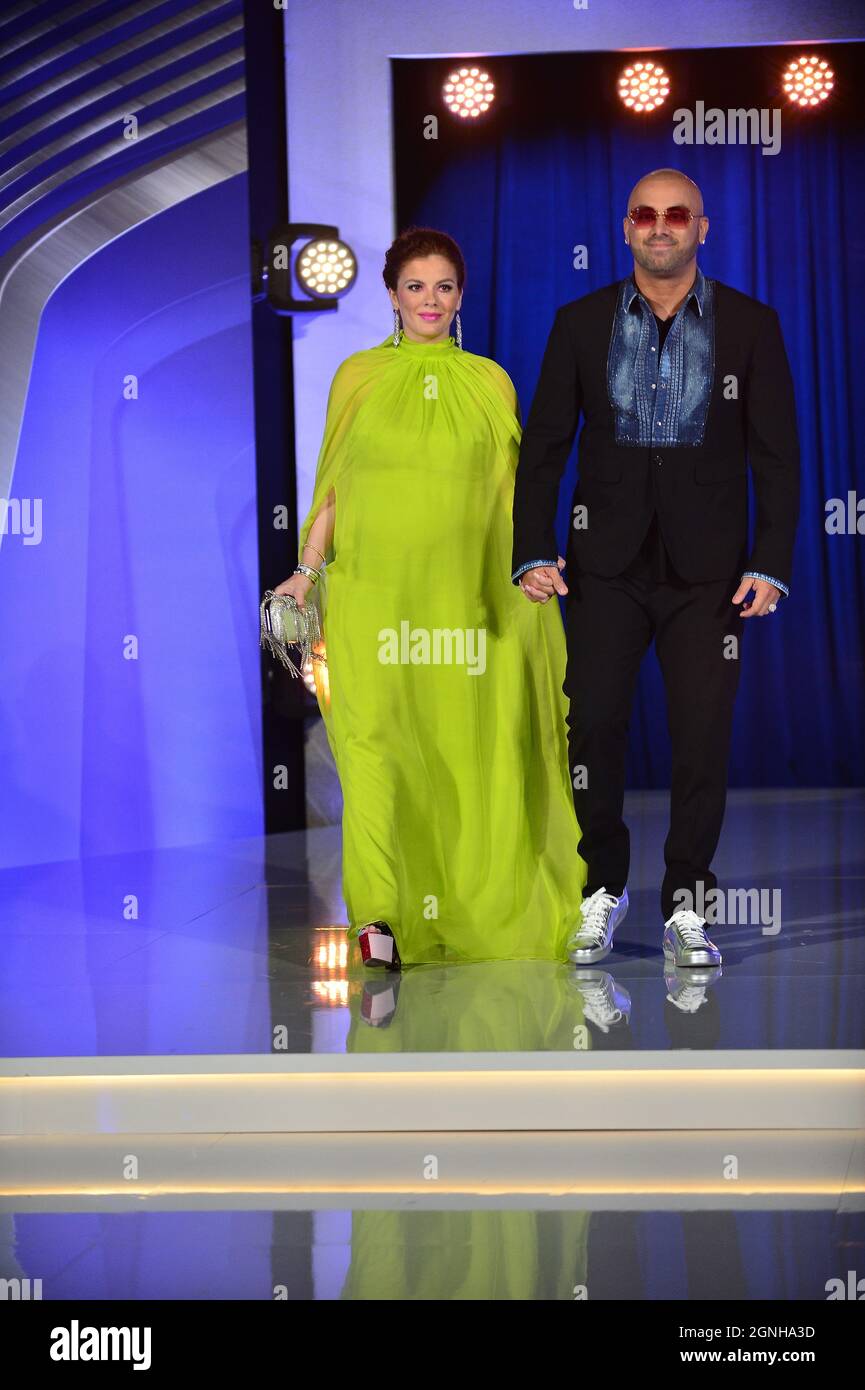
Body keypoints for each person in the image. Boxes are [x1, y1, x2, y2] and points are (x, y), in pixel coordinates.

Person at [511, 169, 800, 970]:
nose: (660, 226)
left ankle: (686, 904)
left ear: (701, 228)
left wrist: (770, 562)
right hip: (602, 566)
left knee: (700, 737)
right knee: (593, 722)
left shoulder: (749, 323)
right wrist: (533, 547)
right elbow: (542, 450)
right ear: (626, 227)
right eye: (646, 214)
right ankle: (601, 889)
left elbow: (777, 457)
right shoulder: (579, 322)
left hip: (710, 574)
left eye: (676, 215)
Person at [276, 226, 587, 967]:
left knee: (470, 752)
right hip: (374, 599)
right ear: (391, 295)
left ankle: (483, 907)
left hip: (470, 603)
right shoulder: (356, 377)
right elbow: (333, 490)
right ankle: (379, 917)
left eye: (443, 286)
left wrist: (533, 561)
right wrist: (307, 571)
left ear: (460, 297)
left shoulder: (490, 382)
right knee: (375, 750)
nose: (429, 300)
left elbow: (514, 494)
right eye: (415, 286)